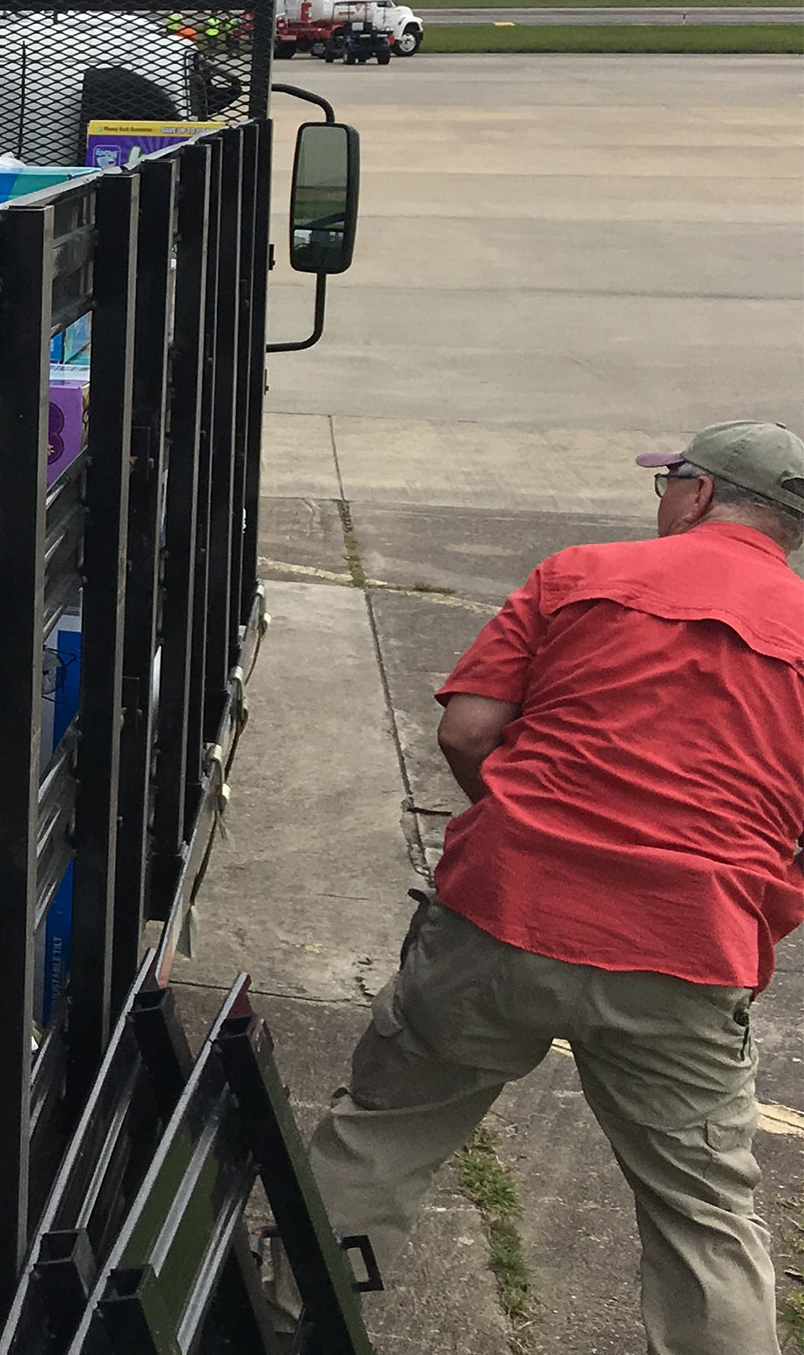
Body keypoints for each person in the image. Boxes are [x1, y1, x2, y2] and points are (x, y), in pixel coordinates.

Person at [302, 420, 804, 1355]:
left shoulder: (580, 573)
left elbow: (468, 731)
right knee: (705, 1217)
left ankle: (287, 1322)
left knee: (387, 1129)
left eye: (670, 482)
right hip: (689, 946)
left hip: (503, 911)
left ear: (696, 494)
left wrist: (526, 834)